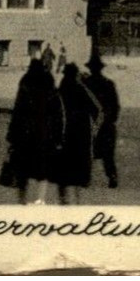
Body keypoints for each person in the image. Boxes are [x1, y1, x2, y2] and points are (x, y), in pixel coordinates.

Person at [47, 63, 101, 204]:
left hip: (62, 139)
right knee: (76, 178)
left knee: (62, 178)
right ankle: (76, 205)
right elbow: (98, 110)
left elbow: (50, 116)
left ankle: (63, 204)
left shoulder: (58, 92)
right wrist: (94, 131)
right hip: (80, 139)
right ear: (75, 75)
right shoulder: (82, 90)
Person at [6, 58, 54, 204]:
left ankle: (21, 199)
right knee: (42, 168)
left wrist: (11, 134)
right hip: (43, 130)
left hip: (24, 132)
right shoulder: (48, 80)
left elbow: (18, 108)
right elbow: (55, 108)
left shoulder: (25, 81)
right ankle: (41, 198)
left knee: (23, 169)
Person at [84, 56, 121, 189]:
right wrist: (111, 120)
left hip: (90, 125)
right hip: (106, 124)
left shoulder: (85, 85)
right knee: (108, 154)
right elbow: (115, 106)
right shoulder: (108, 84)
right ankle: (112, 176)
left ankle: (86, 178)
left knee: (87, 151)